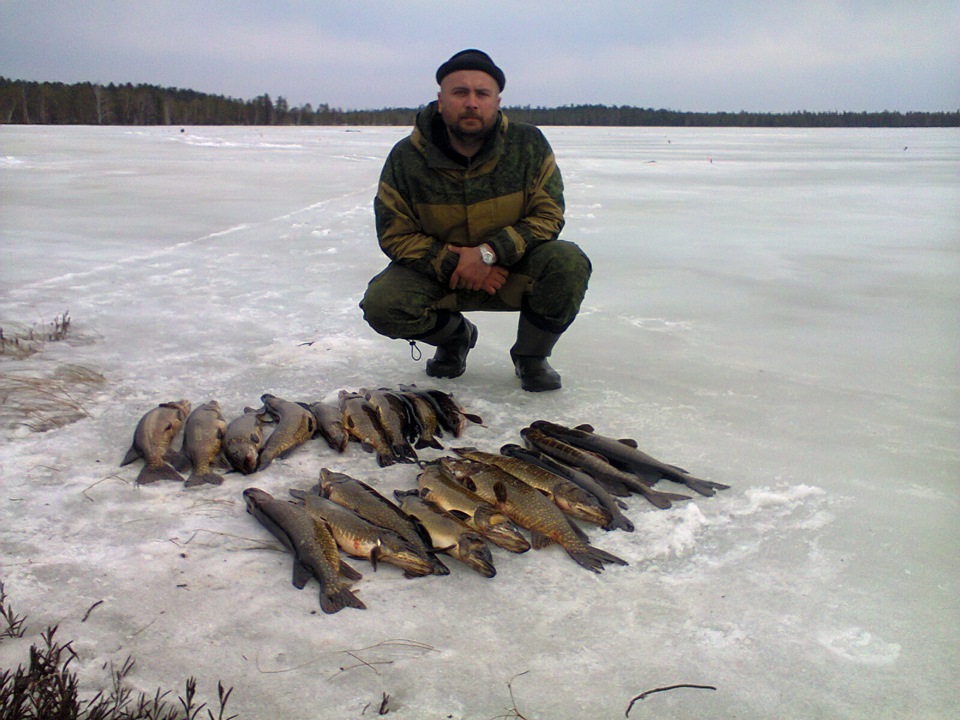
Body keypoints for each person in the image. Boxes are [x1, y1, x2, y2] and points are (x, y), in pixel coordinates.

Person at [360, 49, 591, 392]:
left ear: (496, 101)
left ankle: (531, 357)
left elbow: (548, 215)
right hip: (441, 274)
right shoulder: (406, 157)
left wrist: (487, 253)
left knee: (567, 263)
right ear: (441, 101)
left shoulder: (528, 145)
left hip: (510, 270)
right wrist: (458, 263)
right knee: (383, 305)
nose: (471, 102)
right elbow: (395, 232)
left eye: (481, 94)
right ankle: (455, 338)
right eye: (460, 92)